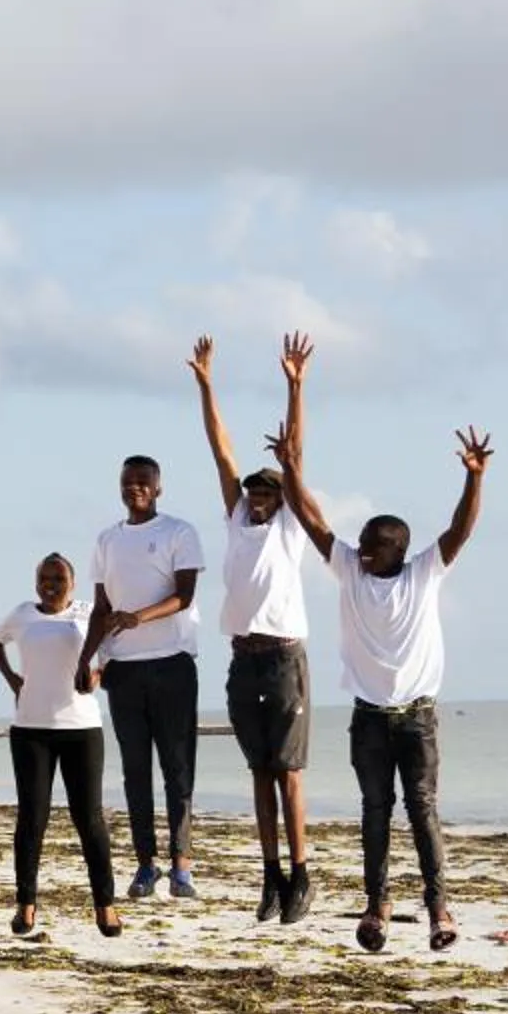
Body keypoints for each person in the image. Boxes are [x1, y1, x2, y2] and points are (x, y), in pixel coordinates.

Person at [272, 407, 491, 955]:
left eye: (373, 542)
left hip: (417, 718)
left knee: (421, 811)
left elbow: (460, 530)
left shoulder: (423, 572)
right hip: (368, 718)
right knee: (374, 812)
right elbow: (310, 517)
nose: (361, 547)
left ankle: (438, 906)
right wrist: (290, 468)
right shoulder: (348, 569)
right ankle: (377, 907)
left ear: (397, 549)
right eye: (362, 540)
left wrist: (474, 477)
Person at [188, 335, 316, 925]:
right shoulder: (238, 519)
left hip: (285, 657)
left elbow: (297, 458)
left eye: (266, 492)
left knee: (289, 772)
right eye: (253, 492)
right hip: (243, 659)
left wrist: (295, 386)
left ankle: (300, 873)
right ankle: (268, 876)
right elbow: (222, 453)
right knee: (259, 773)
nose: (257, 498)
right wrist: (207, 384)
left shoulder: (291, 527)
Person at [84, 450, 208, 902]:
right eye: (127, 481)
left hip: (172, 661)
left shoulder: (179, 531)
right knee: (135, 771)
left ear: (158, 487)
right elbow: (99, 608)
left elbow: (185, 595)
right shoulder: (106, 540)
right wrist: (88, 660)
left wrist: (139, 617)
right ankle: (145, 865)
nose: (134, 487)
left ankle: (182, 868)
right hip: (123, 669)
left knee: (178, 768)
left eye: (143, 480)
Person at [0, 554, 122, 938]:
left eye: (59, 578)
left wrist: (98, 672)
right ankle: (25, 907)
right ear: (35, 581)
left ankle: (105, 907)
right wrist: (13, 680)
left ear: (73, 583)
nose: (51, 583)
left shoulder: (88, 612)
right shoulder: (22, 614)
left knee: (90, 820)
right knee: (32, 819)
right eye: (44, 577)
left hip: (81, 728)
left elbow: (112, 650)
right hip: (31, 729)